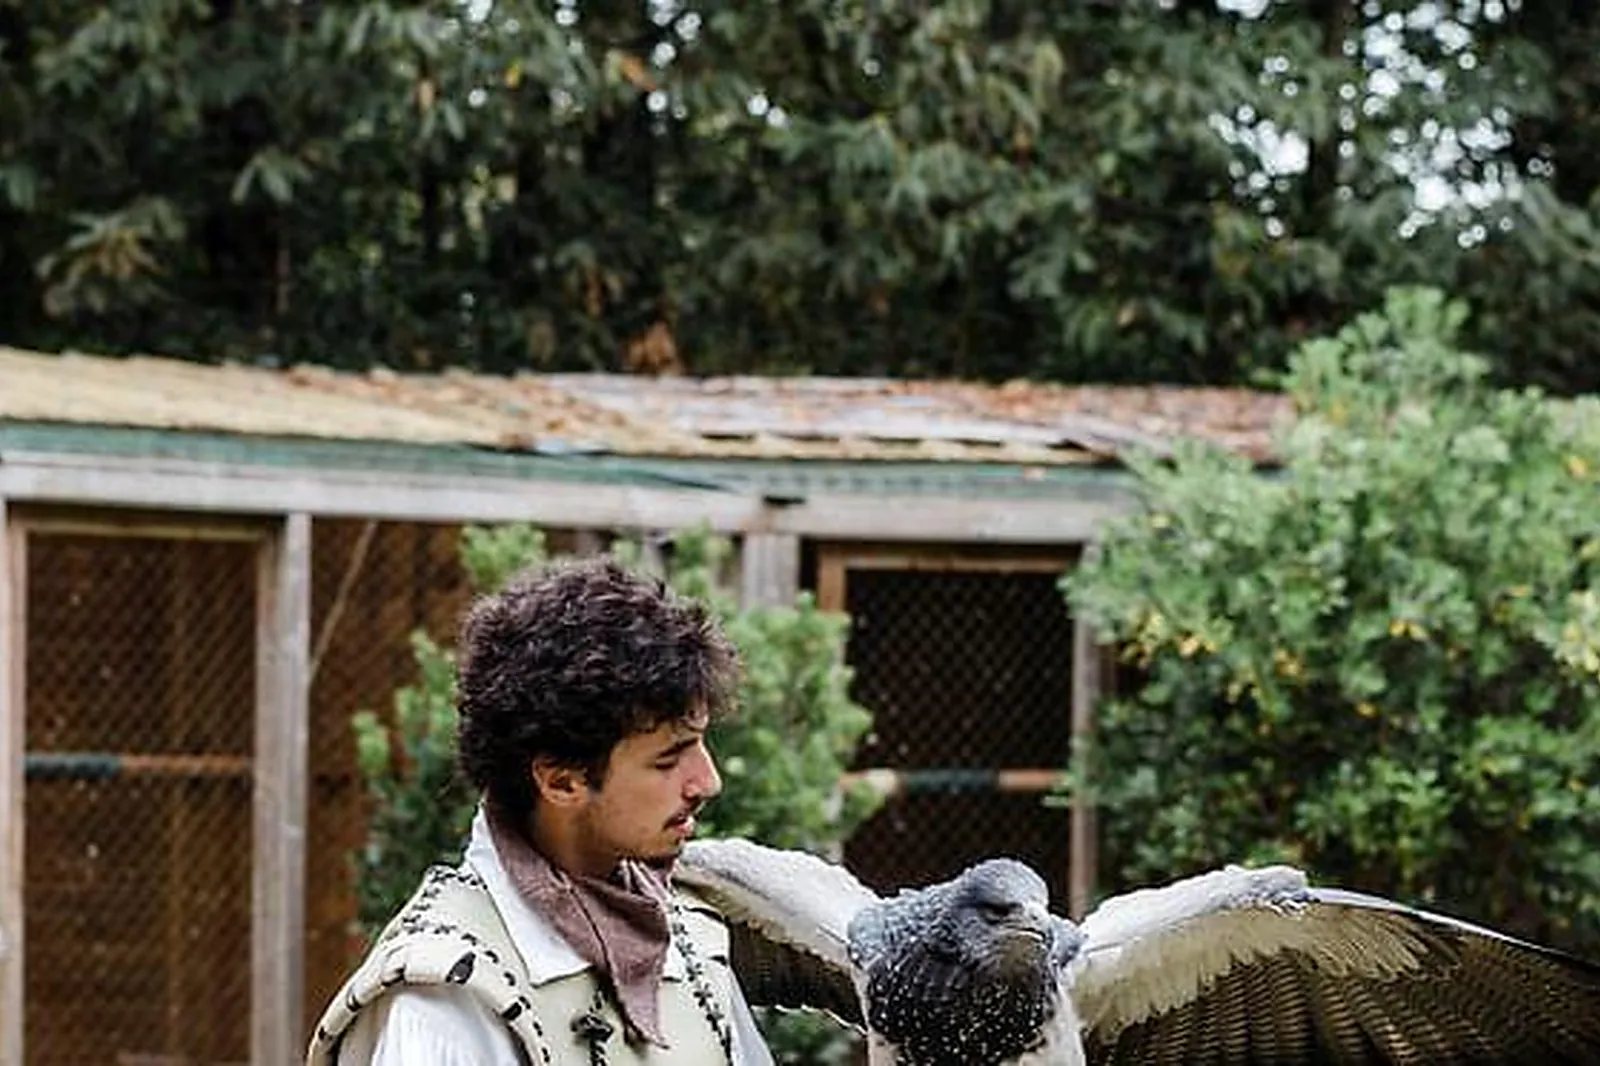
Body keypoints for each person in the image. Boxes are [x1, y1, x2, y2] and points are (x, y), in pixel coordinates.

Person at [307, 555, 775, 1066]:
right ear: (561, 780)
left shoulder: (691, 942)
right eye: (668, 759)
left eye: (700, 744)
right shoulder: (444, 998)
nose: (708, 781)